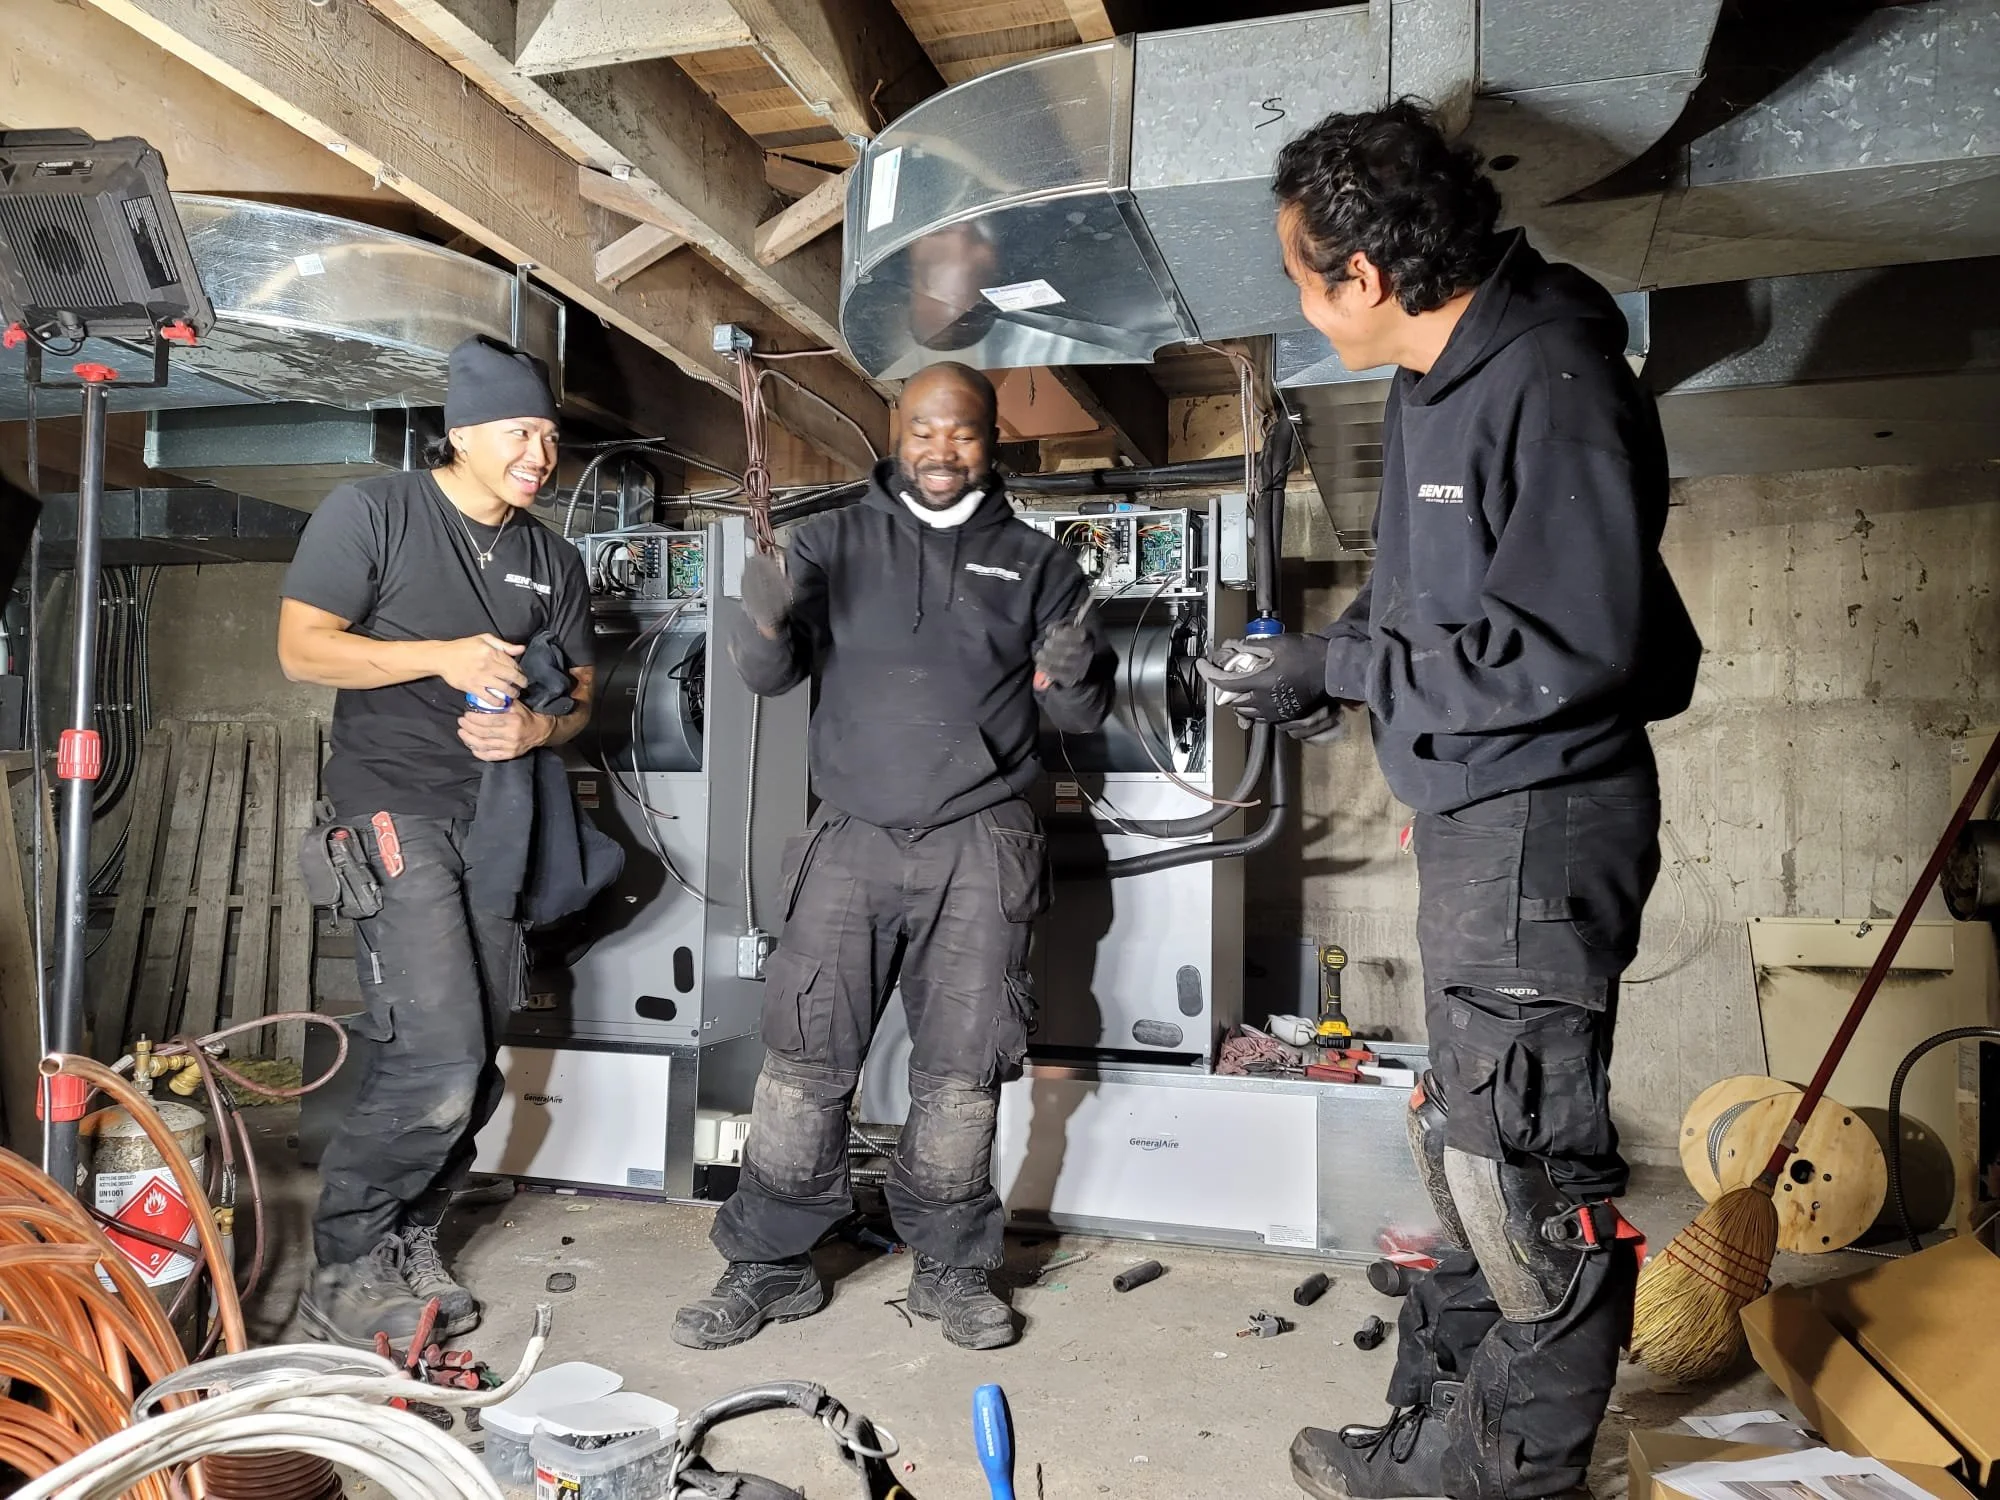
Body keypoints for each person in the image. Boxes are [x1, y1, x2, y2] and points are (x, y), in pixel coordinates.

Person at [1199, 102, 1701, 1500]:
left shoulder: (1549, 376)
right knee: (1469, 1140)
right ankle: (1438, 1429)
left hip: (1543, 816)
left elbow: (1575, 645)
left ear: (1361, 275)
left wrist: (1348, 666)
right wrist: (1323, 668)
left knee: (1521, 1170)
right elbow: (1423, 596)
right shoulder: (1436, 373)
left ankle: (1507, 1475)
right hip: (1482, 814)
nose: (1300, 300)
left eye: (1301, 277)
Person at [672, 361, 1112, 1352]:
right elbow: (770, 673)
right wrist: (763, 618)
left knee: (964, 1067)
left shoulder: (1038, 563)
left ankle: (952, 1267)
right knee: (802, 1056)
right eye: (923, 430)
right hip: (852, 830)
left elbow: (1078, 714)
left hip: (981, 837)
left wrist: (1078, 674)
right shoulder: (829, 542)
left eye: (962, 432)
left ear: (990, 440)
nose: (941, 450)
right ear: (895, 432)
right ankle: (770, 1264)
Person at [278, 336, 596, 1347]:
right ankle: (345, 1264)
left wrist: (538, 728)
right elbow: (302, 649)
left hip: (500, 817)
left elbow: (582, 696)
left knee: (479, 1055)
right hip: (392, 807)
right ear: (460, 433)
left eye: (549, 435)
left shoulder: (553, 559)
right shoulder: (374, 512)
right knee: (440, 1054)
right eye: (518, 432)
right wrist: (441, 657)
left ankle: (410, 1233)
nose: (540, 453)